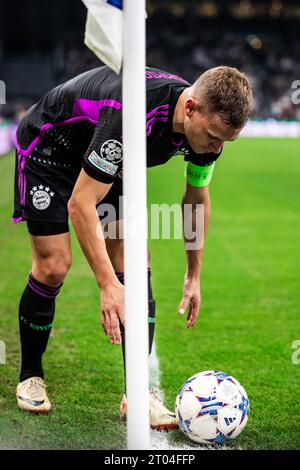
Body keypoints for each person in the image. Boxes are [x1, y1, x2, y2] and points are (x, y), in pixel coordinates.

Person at [13, 65, 252, 429]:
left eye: (225, 142)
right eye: (213, 137)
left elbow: (195, 198)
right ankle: (30, 374)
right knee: (54, 265)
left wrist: (193, 273)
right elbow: (81, 204)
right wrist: (108, 284)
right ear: (190, 108)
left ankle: (138, 392)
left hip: (109, 160)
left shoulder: (207, 129)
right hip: (50, 151)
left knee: (135, 258)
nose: (217, 148)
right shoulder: (132, 114)